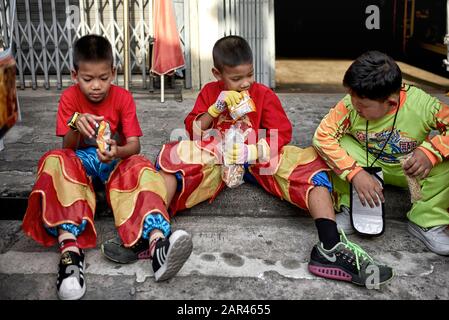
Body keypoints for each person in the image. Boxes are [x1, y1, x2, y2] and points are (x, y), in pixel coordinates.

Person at [102, 36, 394, 287]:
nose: (245, 83)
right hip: (216, 157)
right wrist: (214, 111)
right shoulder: (209, 93)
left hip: (256, 158)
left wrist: (253, 152)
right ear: (217, 73)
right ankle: (150, 236)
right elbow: (194, 130)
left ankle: (330, 246)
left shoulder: (262, 94)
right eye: (236, 78)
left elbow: (283, 132)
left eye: (249, 75)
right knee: (171, 159)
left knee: (309, 164)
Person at [22, 34, 193, 300]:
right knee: (55, 159)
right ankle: (70, 253)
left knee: (141, 165)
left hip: (115, 161)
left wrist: (118, 150)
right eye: (88, 79)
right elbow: (69, 149)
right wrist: (74, 124)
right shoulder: (69, 99)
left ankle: (158, 244)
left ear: (113, 73)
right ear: (74, 75)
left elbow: (133, 146)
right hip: (82, 163)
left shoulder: (123, 97)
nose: (96, 86)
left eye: (103, 78)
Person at [313, 50, 449, 256]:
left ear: (391, 102)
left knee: (446, 160)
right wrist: (355, 173)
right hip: (366, 166)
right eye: (352, 98)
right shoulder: (351, 103)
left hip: (412, 168)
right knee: (335, 143)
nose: (355, 107)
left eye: (363, 106)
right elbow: (322, 136)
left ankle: (426, 222)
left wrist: (432, 152)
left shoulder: (422, 104)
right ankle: (351, 209)